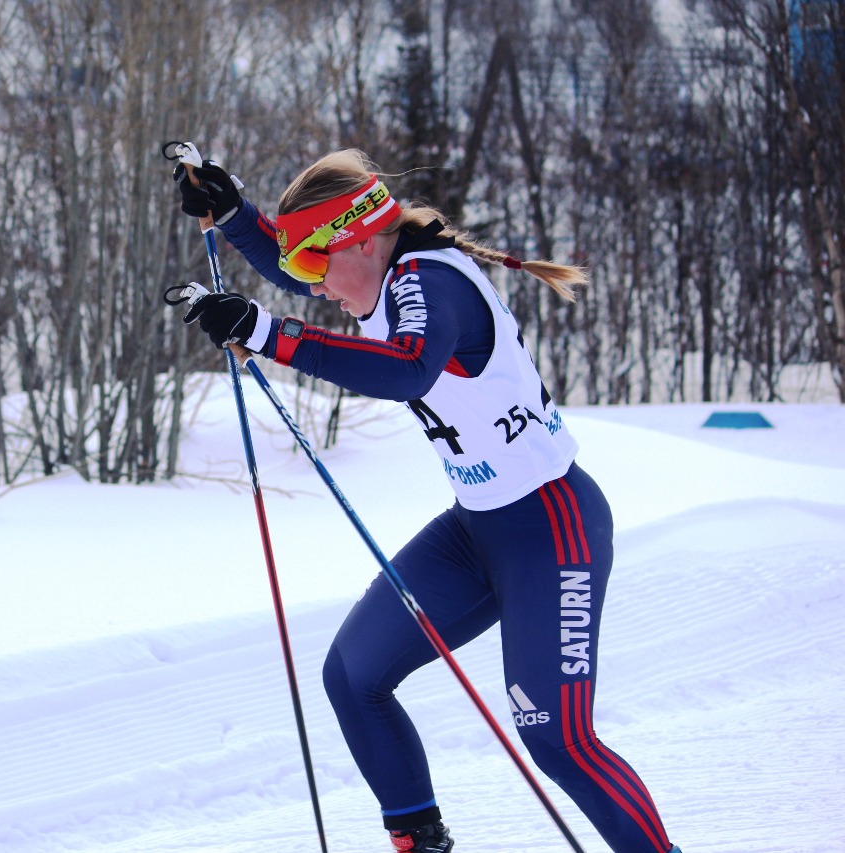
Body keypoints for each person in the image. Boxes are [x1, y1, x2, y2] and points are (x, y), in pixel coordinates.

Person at [171, 149, 682, 853]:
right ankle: (421, 842)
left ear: (357, 239)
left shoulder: (427, 282)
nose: (311, 284)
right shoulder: (382, 272)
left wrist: (269, 333)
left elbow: (410, 368)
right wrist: (235, 215)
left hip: (551, 525)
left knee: (557, 737)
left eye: (320, 265)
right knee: (354, 674)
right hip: (476, 532)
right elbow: (296, 264)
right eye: (307, 269)